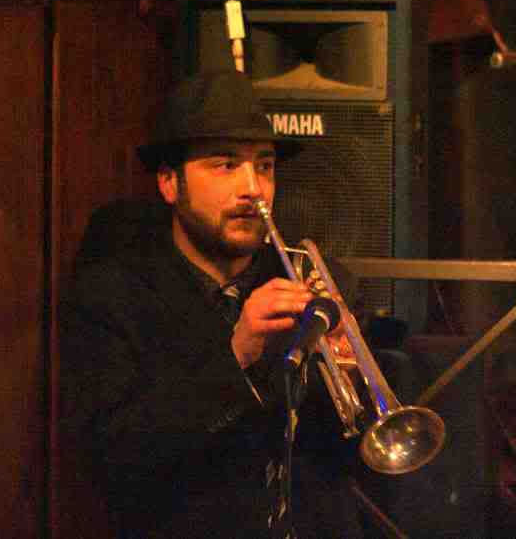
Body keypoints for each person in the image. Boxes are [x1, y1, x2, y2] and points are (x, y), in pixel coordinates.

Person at [62, 70, 369, 538]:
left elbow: (352, 458)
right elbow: (115, 458)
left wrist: (348, 371)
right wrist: (237, 354)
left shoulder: (311, 279)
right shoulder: (113, 294)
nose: (254, 189)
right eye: (226, 165)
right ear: (170, 183)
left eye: (264, 166)